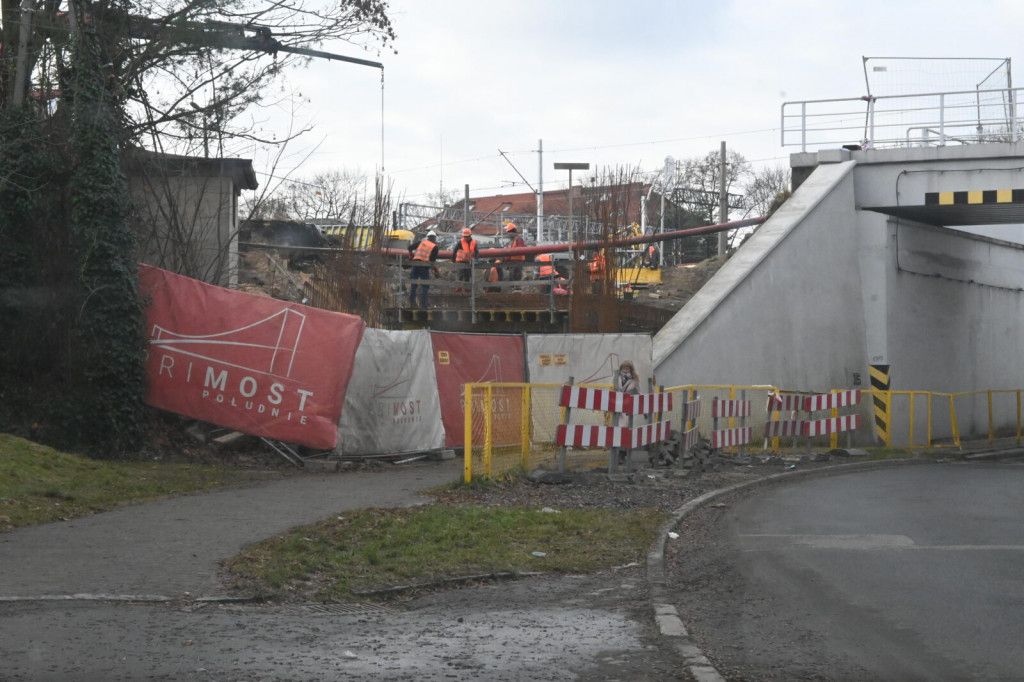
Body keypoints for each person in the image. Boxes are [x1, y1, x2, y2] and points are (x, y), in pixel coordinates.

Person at [612, 360, 640, 468]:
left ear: (631, 369)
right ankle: (616, 454)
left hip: (628, 410)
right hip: (617, 408)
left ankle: (622, 455)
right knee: (616, 430)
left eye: (627, 368)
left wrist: (642, 409)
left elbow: (638, 394)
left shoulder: (635, 381)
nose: (625, 370)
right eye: (623, 368)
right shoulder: (616, 379)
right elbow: (612, 391)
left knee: (624, 430)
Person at [407, 229, 439, 308]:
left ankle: (412, 304)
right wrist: (436, 270)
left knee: (413, 284)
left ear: (427, 237)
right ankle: (423, 304)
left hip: (415, 265)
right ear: (434, 239)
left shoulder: (421, 242)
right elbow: (432, 262)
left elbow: (409, 248)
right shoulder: (434, 247)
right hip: (424, 267)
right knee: (425, 285)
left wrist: (412, 256)